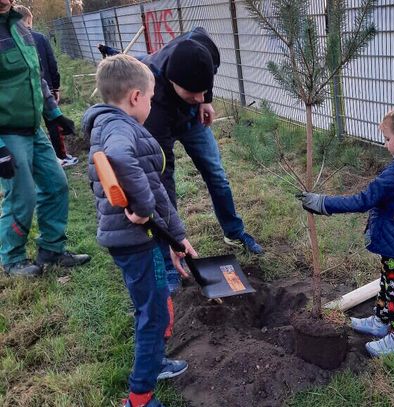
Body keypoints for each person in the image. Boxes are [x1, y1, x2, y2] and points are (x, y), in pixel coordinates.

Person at [85, 54, 197, 407]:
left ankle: (156, 362)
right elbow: (120, 159)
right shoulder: (120, 130)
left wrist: (177, 238)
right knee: (154, 315)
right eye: (150, 97)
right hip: (135, 240)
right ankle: (139, 398)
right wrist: (142, 207)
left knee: (152, 303)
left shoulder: (110, 124)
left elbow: (156, 189)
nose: (151, 103)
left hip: (137, 239)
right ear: (135, 97)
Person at [299, 96, 394, 357]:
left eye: (388, 139)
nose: (385, 143)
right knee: (388, 280)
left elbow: (361, 200)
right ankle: (380, 320)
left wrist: (323, 203)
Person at [97, 28, 263, 254]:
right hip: (165, 120)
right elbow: (163, 176)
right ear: (173, 82)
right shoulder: (152, 101)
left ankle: (234, 231)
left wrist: (206, 100)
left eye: (202, 90)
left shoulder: (204, 49)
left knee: (216, 174)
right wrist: (177, 237)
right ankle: (170, 249)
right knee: (165, 182)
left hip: (192, 121)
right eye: (192, 93)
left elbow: (204, 77)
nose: (199, 97)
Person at [0, 0, 89, 277]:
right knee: (22, 196)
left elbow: (35, 75)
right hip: (7, 132)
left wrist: (55, 114)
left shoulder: (19, 26)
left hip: (33, 127)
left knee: (56, 183)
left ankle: (51, 248)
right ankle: (12, 259)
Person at [14, 4, 79, 167]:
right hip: (45, 88)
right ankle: (61, 155)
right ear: (28, 19)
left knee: (36, 125)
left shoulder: (21, 38)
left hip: (29, 93)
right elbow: (51, 63)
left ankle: (42, 159)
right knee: (53, 125)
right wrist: (55, 87)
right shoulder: (39, 38)